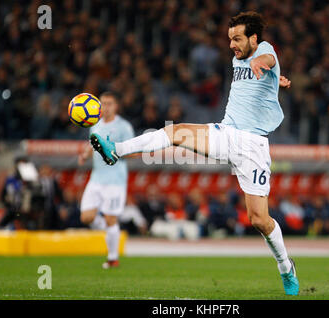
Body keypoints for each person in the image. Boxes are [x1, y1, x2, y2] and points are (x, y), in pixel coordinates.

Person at [90, 12, 299, 295]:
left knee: (259, 219)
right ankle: (116, 150)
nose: (232, 45)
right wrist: (274, 80)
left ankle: (286, 266)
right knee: (175, 132)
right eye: (229, 39)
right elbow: (259, 80)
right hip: (226, 134)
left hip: (254, 146)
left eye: (237, 39)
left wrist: (265, 65)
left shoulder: (264, 50)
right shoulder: (239, 57)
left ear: (253, 38)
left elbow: (268, 60)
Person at [78, 91, 134, 269]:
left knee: (111, 218)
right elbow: (91, 143)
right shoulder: (94, 125)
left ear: (116, 106)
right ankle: (111, 231)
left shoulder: (124, 127)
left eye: (109, 103)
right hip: (96, 178)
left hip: (115, 180)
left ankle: (113, 258)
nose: (105, 107)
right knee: (86, 217)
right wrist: (85, 155)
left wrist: (114, 151)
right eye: (103, 103)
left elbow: (132, 151)